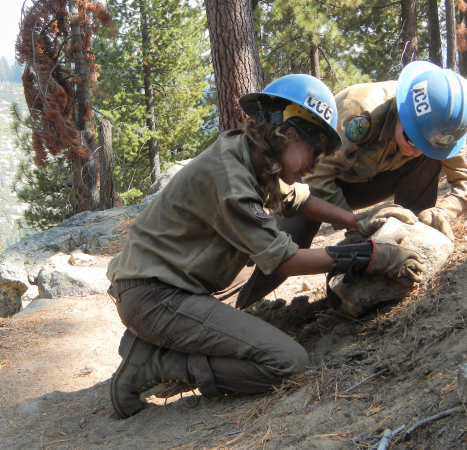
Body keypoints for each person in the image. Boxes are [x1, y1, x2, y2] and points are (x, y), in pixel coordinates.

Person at [106, 74, 427, 419]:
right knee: (288, 363)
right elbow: (284, 261)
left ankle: (156, 344)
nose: (315, 166)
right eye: (314, 151)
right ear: (289, 135)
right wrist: (369, 257)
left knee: (272, 348)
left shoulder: (251, 158)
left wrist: (356, 222)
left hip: (168, 288)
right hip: (157, 297)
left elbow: (300, 201)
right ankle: (153, 363)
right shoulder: (231, 178)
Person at [234, 61, 467, 310]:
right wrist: (353, 228)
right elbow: (316, 175)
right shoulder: (360, 110)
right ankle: (237, 303)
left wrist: (444, 211)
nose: (416, 151)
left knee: (427, 163)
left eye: (427, 146)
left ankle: (409, 243)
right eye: (411, 139)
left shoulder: (445, 127)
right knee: (284, 244)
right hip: (321, 181)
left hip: (375, 179)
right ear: (400, 112)